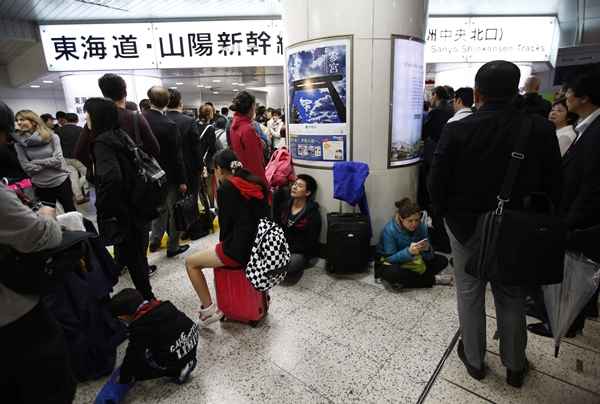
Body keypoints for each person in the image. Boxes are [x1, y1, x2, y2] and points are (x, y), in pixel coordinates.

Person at [428, 60, 562, 388]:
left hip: (465, 226)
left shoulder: (458, 128)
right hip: (518, 227)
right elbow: (555, 184)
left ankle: (474, 361)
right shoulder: (539, 129)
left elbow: (436, 182)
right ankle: (515, 366)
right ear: (515, 90)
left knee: (470, 292)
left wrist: (446, 216)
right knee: (511, 293)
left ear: (477, 93)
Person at [0, 102, 76, 403]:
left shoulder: (50, 137)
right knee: (49, 387)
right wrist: (45, 213)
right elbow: (44, 233)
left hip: (53, 185)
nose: (16, 131)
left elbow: (57, 162)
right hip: (13, 314)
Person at [528, 68, 600, 338]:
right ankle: (568, 316)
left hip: (580, 220)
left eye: (569, 92)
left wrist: (569, 223)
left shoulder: (594, 132)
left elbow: (592, 185)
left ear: (585, 97)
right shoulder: (586, 127)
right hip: (574, 214)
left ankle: (565, 322)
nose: (565, 97)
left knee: (575, 271)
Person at [185, 149, 269, 326]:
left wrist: (222, 250)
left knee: (191, 263)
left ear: (219, 169)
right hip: (261, 247)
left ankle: (208, 311)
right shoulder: (254, 182)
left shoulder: (226, 189)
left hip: (239, 250)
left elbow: (226, 228)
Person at [84, 97, 157, 301]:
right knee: (134, 256)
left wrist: (104, 205)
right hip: (137, 203)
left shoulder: (101, 142)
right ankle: (144, 296)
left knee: (131, 257)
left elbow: (111, 177)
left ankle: (146, 299)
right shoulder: (121, 134)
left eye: (88, 114)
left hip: (122, 210)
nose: (86, 118)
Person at [108, 288, 198, 386]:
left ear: (124, 317)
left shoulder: (139, 327)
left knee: (140, 368)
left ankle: (178, 370)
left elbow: (133, 356)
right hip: (191, 343)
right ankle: (185, 361)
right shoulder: (165, 304)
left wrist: (124, 377)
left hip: (176, 355)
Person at [74, 73, 160, 175]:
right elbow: (154, 148)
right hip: (136, 177)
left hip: (108, 180)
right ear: (125, 92)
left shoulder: (96, 119)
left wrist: (98, 167)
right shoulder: (135, 117)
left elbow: (79, 152)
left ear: (104, 94)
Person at [145, 86, 189, 258]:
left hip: (147, 175)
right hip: (169, 175)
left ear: (149, 100)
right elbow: (176, 157)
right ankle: (173, 246)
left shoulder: (139, 120)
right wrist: (182, 180)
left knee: (158, 209)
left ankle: (154, 240)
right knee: (174, 211)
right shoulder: (168, 125)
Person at [375, 198, 451, 289]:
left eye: (417, 220)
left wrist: (427, 250)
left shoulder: (421, 227)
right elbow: (389, 259)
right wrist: (408, 252)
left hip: (414, 262)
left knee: (442, 260)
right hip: (392, 263)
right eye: (410, 221)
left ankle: (407, 281)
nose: (414, 224)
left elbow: (429, 256)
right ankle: (432, 280)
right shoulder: (390, 230)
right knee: (393, 273)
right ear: (401, 218)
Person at [13, 109, 75, 212]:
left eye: (22, 119)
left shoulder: (52, 137)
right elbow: (26, 167)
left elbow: (58, 160)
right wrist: (49, 163)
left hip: (61, 181)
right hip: (41, 185)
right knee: (48, 217)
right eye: (17, 120)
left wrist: (35, 162)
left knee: (71, 212)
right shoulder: (19, 144)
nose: (19, 123)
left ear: (33, 121)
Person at [420, 86, 454, 253]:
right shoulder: (452, 111)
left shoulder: (437, 113)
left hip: (434, 159)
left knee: (433, 197)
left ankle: (441, 240)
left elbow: (426, 133)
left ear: (435, 95)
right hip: (449, 163)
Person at [274, 174, 322, 285]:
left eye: (300, 186)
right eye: (294, 184)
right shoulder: (285, 206)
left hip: (299, 253)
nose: (294, 187)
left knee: (285, 264)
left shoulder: (312, 214)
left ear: (307, 193)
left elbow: (310, 242)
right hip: (283, 247)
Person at [166, 89, 203, 214]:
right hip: (189, 169)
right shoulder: (188, 121)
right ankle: (190, 230)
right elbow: (196, 147)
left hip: (166, 171)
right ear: (180, 102)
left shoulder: (160, 120)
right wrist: (200, 167)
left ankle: (173, 231)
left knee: (170, 206)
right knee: (190, 202)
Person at [229, 91, 267, 184]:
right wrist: (263, 185)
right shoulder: (247, 129)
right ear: (251, 107)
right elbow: (255, 161)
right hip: (252, 180)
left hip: (242, 175)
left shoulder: (235, 126)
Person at [57, 113, 89, 204]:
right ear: (77, 120)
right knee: (87, 174)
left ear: (66, 120)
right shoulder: (81, 130)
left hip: (65, 158)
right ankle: (85, 191)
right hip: (79, 157)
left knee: (72, 178)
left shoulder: (58, 130)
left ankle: (79, 197)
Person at [197, 104, 217, 210]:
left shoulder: (194, 124)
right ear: (209, 114)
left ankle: (204, 208)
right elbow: (212, 147)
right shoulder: (210, 128)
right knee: (209, 184)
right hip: (208, 160)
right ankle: (212, 208)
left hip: (196, 159)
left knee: (200, 186)